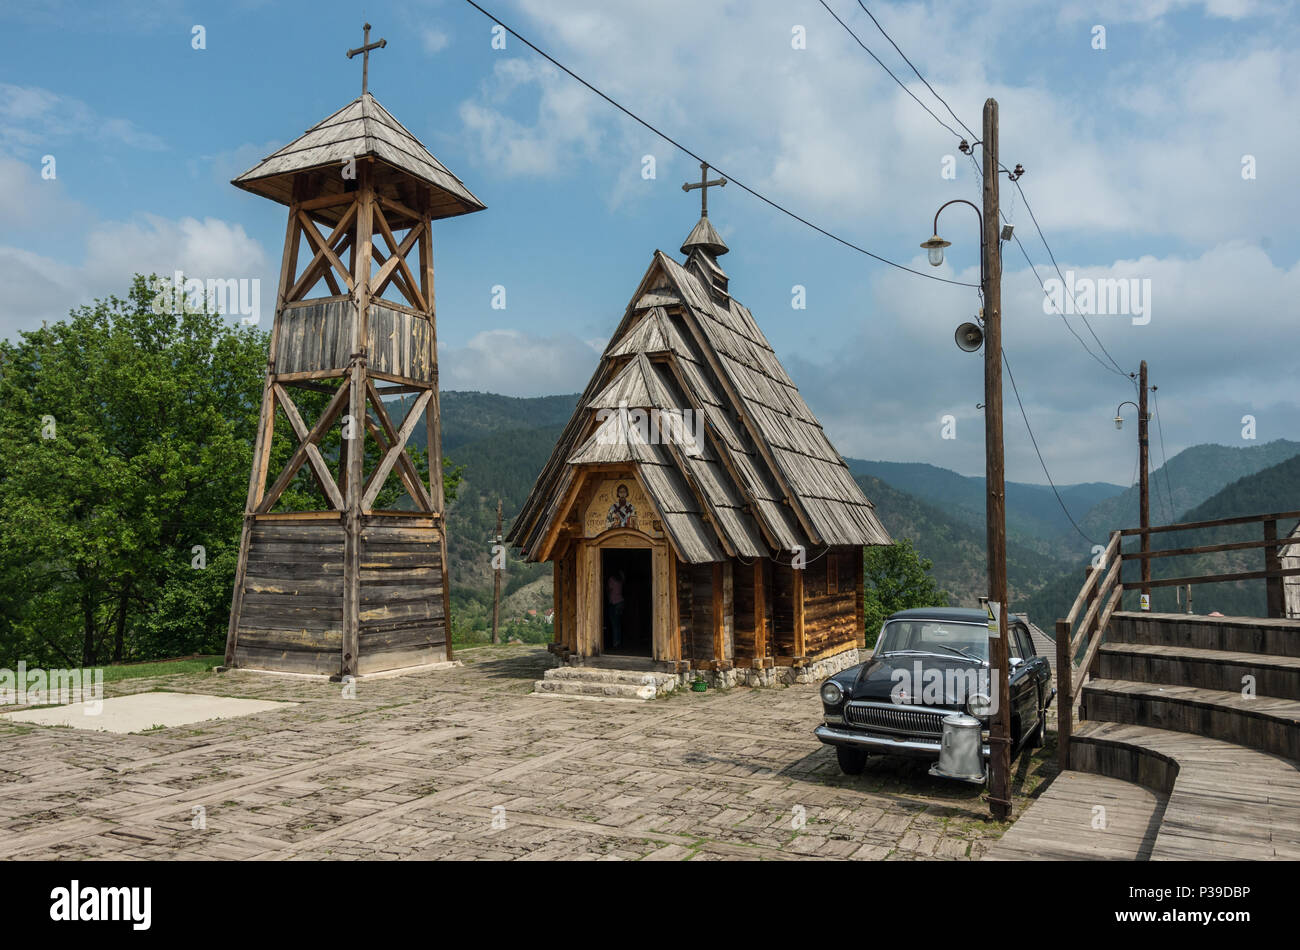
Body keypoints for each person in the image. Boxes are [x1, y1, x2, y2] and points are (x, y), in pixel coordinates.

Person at [607, 568, 625, 649]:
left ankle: (615, 643)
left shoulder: (611, 579)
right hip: (620, 602)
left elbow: (609, 590)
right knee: (618, 623)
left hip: (614, 603)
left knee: (614, 624)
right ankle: (618, 641)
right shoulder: (621, 580)